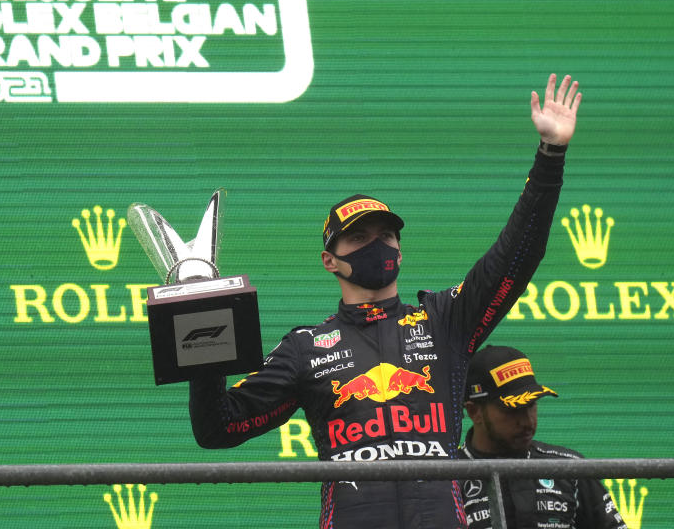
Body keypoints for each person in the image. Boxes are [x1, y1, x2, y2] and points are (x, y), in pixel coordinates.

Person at [188, 73, 583, 529]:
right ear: (329, 261)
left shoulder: (444, 320)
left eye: (386, 235)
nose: (377, 245)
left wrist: (551, 156)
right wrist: (203, 348)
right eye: (358, 237)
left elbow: (517, 256)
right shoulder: (305, 348)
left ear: (400, 248)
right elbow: (218, 428)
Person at [460, 345, 628, 529]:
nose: (527, 421)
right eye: (513, 409)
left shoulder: (570, 470)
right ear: (474, 412)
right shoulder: (448, 478)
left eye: (532, 405)